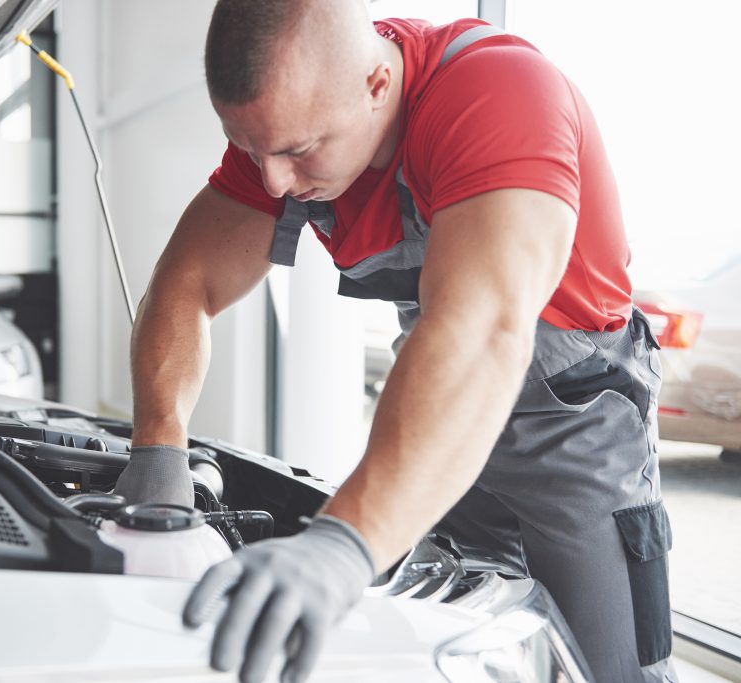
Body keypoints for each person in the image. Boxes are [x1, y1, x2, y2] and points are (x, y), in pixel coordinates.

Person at [114, 1, 675, 682]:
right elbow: (187, 280)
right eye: (253, 150)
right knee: (466, 652)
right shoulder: (294, 130)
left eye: (295, 150)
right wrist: (160, 442)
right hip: (443, 417)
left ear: (377, 85)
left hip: (574, 426)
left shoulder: (496, 93)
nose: (273, 182)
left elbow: (484, 331)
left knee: (607, 671)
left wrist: (342, 544)